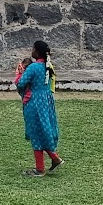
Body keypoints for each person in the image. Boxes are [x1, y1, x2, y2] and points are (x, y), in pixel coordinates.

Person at [14, 40, 63, 176]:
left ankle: (40, 169)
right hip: (46, 101)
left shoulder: (33, 67)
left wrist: (19, 73)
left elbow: (22, 84)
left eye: (33, 49)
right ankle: (55, 158)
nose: (32, 51)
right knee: (43, 130)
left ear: (37, 52)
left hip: (34, 102)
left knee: (36, 132)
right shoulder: (48, 66)